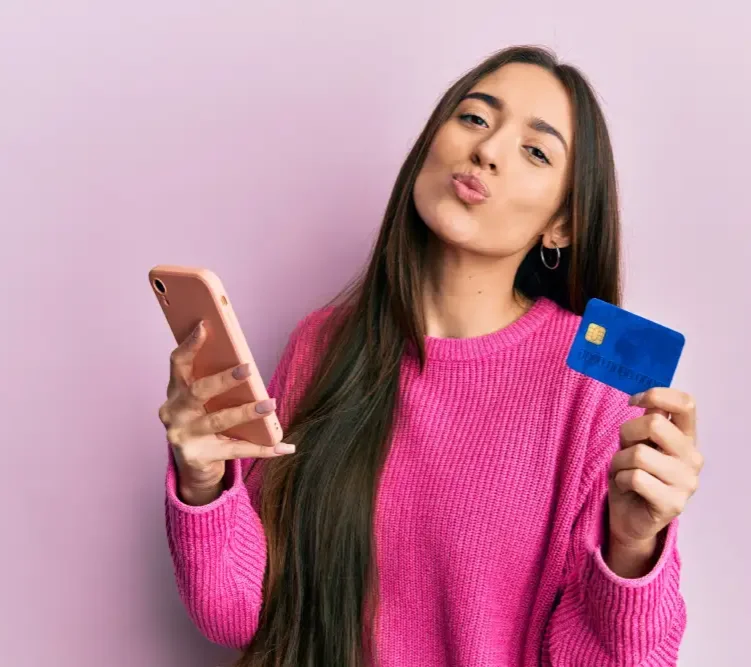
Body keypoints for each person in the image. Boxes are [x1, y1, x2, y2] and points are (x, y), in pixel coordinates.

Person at [159, 45, 703, 667]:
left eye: (535, 150)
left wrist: (634, 546)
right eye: (474, 118)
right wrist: (204, 484)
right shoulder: (321, 344)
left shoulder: (592, 386)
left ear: (564, 224)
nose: (488, 151)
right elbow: (238, 613)